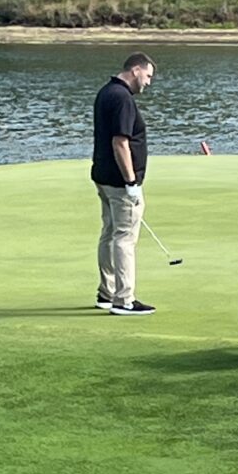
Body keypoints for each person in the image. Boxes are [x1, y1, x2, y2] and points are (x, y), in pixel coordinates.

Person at [91, 52, 157, 316]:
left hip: (103, 177)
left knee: (109, 233)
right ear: (136, 70)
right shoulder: (122, 98)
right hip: (119, 181)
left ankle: (106, 293)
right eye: (148, 76)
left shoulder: (106, 91)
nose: (149, 83)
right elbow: (120, 142)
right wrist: (131, 182)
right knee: (124, 238)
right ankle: (124, 299)